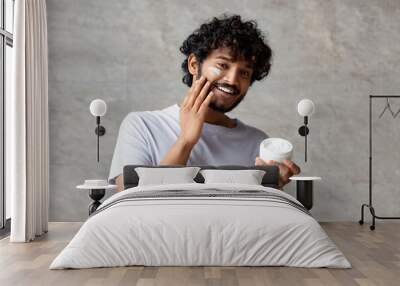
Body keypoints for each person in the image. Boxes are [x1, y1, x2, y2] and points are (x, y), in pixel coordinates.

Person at [109, 14, 300, 192]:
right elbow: (130, 202)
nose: (232, 80)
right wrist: (186, 141)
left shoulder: (257, 143)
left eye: (244, 73)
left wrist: (269, 187)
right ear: (194, 64)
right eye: (223, 65)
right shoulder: (142, 126)